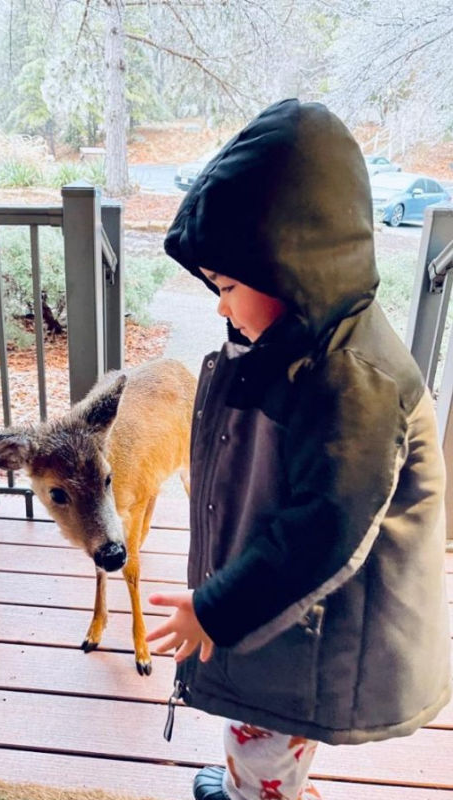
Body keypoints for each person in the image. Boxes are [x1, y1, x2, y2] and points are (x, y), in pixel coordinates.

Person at [149, 99, 451, 800]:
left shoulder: (352, 381)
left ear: (292, 272)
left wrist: (215, 609)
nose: (220, 306)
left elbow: (323, 530)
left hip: (319, 623)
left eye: (228, 287)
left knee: (263, 732)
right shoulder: (307, 337)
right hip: (301, 613)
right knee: (267, 737)